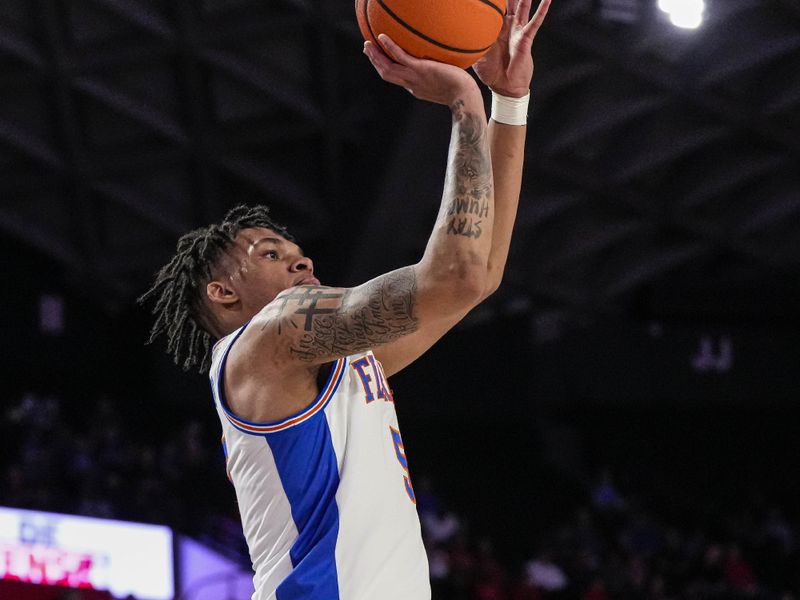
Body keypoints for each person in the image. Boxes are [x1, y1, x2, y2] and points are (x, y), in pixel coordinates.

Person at [139, 0, 551, 598]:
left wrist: (509, 101)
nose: (302, 260)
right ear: (223, 291)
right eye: (270, 255)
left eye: (295, 250)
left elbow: (480, 275)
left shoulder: (344, 368)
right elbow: (457, 275)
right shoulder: (270, 336)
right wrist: (463, 101)